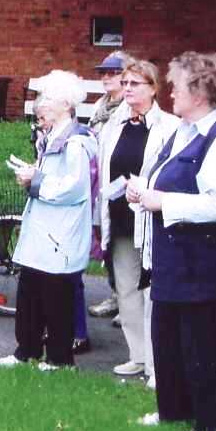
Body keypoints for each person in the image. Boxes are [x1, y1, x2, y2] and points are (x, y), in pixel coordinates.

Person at [129, 51, 216, 431]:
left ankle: (211, 424)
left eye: (177, 85)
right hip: (174, 258)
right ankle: (172, 410)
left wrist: (162, 202)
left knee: (204, 344)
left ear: (201, 91)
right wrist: (144, 191)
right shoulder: (186, 130)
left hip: (205, 261)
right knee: (168, 338)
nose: (171, 91)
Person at [0, 70, 96, 370]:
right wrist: (34, 176)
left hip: (60, 230)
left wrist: (35, 180)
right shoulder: (52, 136)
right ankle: (26, 349)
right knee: (31, 288)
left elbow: (75, 187)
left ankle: (58, 358)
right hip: (43, 227)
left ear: (66, 104)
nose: (41, 105)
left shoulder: (76, 142)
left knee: (57, 295)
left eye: (48, 99)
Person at [96, 57, 178, 383]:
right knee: (127, 289)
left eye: (135, 84)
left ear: (154, 88)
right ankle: (138, 355)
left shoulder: (169, 126)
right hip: (118, 216)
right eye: (125, 83)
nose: (128, 89)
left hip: (150, 218)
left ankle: (159, 364)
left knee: (151, 291)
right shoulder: (114, 124)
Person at [88, 51, 128, 320]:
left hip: (120, 184)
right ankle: (116, 295)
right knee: (105, 239)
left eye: (113, 73)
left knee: (122, 245)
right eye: (103, 72)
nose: (106, 77)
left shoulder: (128, 106)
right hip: (98, 182)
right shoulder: (100, 106)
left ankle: (128, 304)